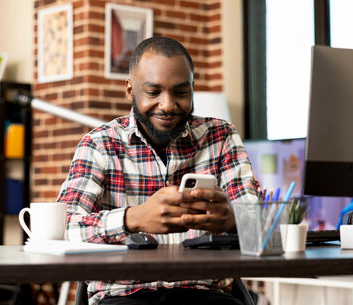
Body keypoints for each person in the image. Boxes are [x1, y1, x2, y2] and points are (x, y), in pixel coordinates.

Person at [57, 36, 259, 305]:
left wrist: (234, 216)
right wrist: (133, 218)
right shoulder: (99, 144)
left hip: (205, 294)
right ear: (130, 90)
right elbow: (61, 227)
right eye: (153, 92)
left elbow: (263, 222)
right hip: (123, 295)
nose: (168, 105)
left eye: (181, 92)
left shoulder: (220, 137)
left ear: (192, 89)